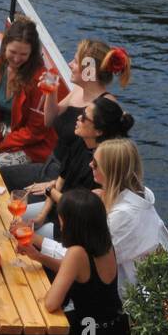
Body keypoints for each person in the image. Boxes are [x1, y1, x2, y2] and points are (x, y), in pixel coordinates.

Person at [27, 138, 163, 293]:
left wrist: (35, 239)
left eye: (96, 164)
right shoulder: (137, 194)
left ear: (110, 171)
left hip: (115, 292)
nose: (90, 164)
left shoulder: (124, 216)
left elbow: (82, 259)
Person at [15, 189, 126, 335]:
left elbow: (51, 304)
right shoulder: (105, 245)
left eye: (61, 219)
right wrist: (38, 257)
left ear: (72, 224)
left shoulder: (76, 253)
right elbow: (80, 273)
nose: (60, 224)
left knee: (27, 330)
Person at [3, 37, 131, 192]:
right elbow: (49, 121)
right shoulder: (78, 90)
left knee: (12, 201)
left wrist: (54, 187)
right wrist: (52, 92)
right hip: (50, 166)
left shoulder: (105, 107)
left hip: (69, 182)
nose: (69, 64)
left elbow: (99, 166)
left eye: (76, 62)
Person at [31, 96, 134, 233]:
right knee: (13, 219)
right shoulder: (81, 142)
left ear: (98, 131)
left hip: (72, 227)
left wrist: (50, 191)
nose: (79, 118)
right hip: (57, 212)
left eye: (85, 117)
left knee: (20, 235)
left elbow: (78, 208)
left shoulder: (101, 166)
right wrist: (41, 216)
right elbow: (61, 181)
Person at [0, 16, 62, 170]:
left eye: (23, 55)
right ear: (5, 46)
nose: (16, 59)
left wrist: (0, 149)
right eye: (13, 52)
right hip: (2, 136)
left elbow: (35, 131)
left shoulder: (42, 79)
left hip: (31, 146)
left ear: (32, 54)